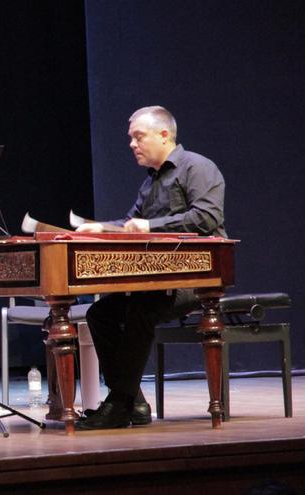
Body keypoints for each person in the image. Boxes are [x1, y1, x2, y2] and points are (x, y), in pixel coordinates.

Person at [75, 106, 226, 429]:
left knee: (141, 309)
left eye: (138, 136)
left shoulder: (197, 167)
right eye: (131, 138)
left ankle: (118, 404)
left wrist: (152, 226)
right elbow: (132, 223)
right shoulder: (152, 183)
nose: (132, 144)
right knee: (100, 313)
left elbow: (207, 218)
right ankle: (135, 402)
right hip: (160, 280)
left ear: (164, 135)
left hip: (198, 278)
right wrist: (103, 228)